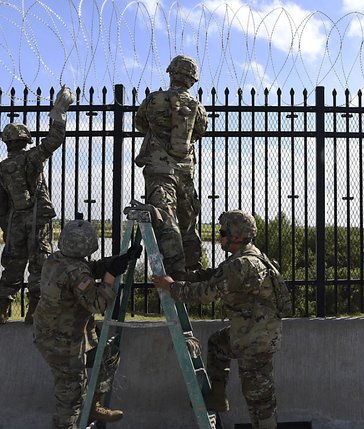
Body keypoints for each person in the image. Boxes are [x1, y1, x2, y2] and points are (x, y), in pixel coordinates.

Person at [153, 210, 292, 429]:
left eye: (223, 232)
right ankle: (217, 397)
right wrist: (186, 278)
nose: (220, 237)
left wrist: (172, 287)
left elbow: (208, 293)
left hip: (254, 342)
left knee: (259, 399)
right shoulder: (248, 256)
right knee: (218, 343)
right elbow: (216, 275)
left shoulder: (242, 264)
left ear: (236, 236)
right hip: (249, 333)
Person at [33, 218, 142, 429]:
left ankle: (93, 405)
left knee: (108, 354)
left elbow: (88, 269)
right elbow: (97, 303)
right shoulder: (77, 273)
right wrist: (110, 276)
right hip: (61, 344)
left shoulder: (55, 260)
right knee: (71, 397)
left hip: (63, 335)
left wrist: (119, 260)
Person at [0, 86, 74, 324]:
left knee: (12, 263)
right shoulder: (32, 157)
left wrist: (6, 224)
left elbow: (1, 204)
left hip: (14, 220)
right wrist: (59, 112)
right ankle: (34, 310)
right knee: (39, 263)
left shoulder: (2, 168)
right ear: (24, 140)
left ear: (7, 142)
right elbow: (54, 141)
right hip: (35, 218)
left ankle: (2, 308)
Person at [134, 54, 208, 278]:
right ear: (192, 80)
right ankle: (192, 267)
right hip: (185, 171)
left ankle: (173, 271)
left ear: (172, 73)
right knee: (188, 220)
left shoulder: (154, 99)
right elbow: (199, 133)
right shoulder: (198, 108)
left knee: (165, 217)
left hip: (158, 170)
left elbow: (140, 124)